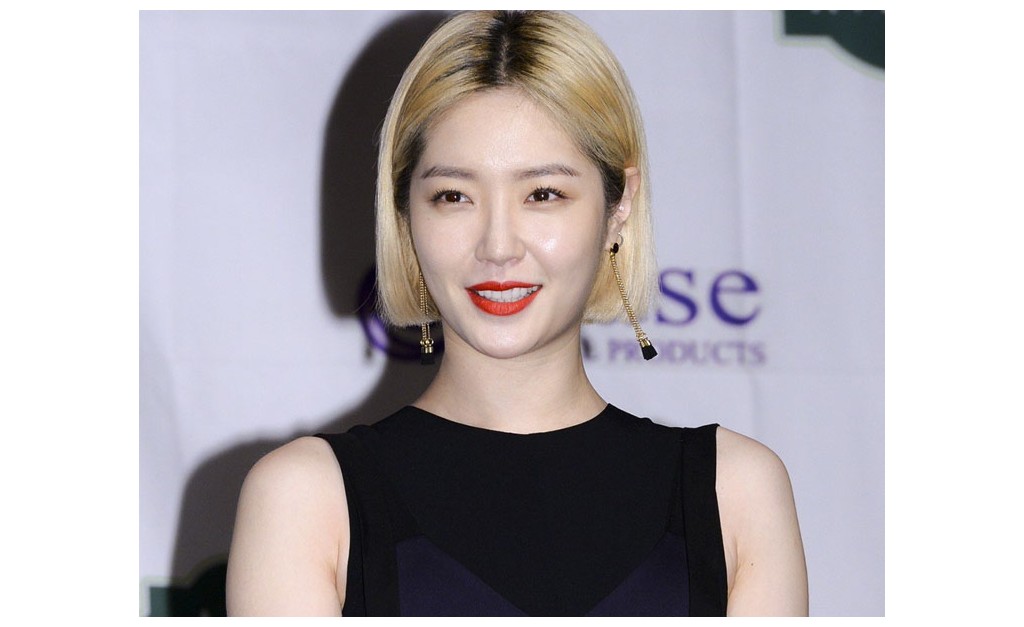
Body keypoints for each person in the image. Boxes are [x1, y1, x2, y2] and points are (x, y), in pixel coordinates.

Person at [226, 10, 807, 616]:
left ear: (619, 207)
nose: (498, 246)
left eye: (543, 194)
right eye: (454, 196)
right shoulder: (307, 498)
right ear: (404, 213)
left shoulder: (735, 491)